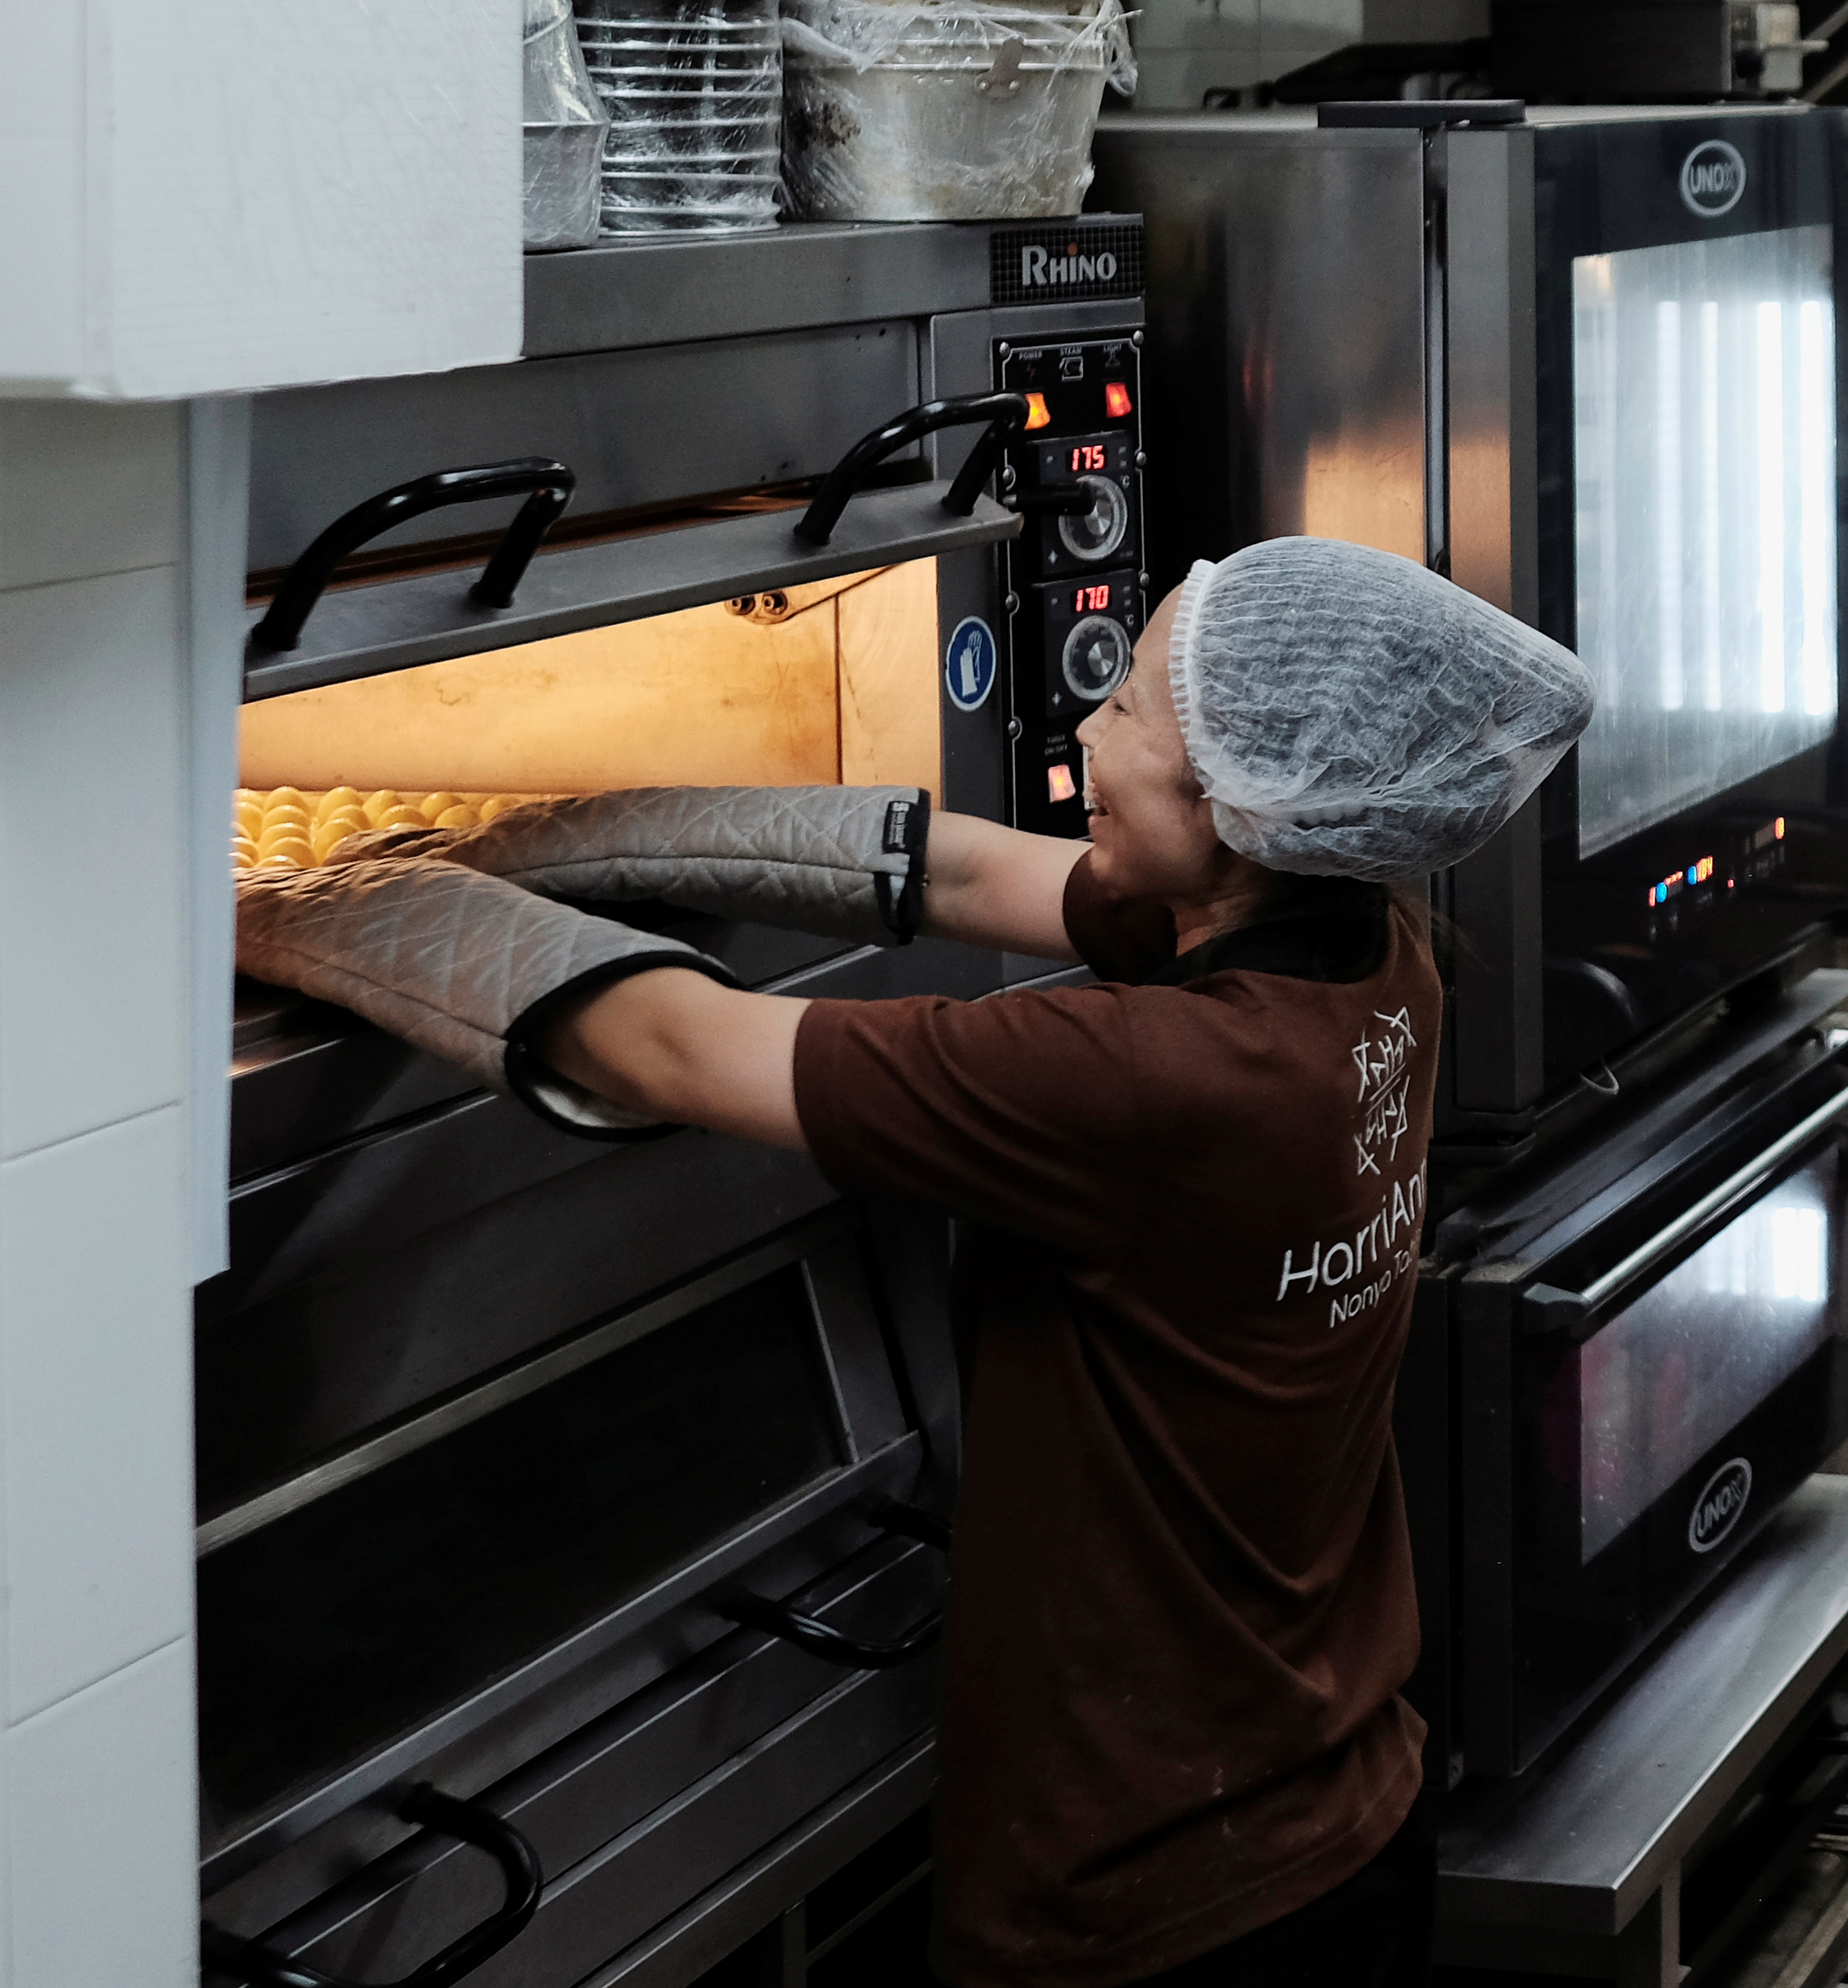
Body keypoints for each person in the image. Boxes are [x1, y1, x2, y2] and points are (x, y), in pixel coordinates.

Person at [235, 538, 1595, 1988]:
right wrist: (550, 825)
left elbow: (674, 1047)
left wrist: (305, 892)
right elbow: (952, 867)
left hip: (1153, 1892)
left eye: (1129, 708)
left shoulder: (1153, 1079)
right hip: (1332, 1786)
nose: (1084, 727)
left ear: (1233, 801)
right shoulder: (1372, 951)